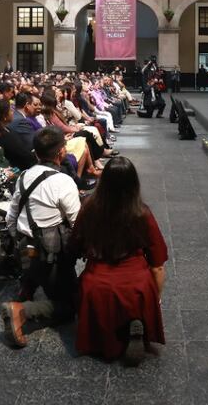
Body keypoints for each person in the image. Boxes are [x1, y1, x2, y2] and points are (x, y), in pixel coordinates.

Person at [71, 156, 167, 365]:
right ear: (134, 183)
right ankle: (136, 323)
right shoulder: (141, 213)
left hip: (97, 284)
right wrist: (154, 300)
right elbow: (158, 265)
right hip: (136, 285)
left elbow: (75, 244)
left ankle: (110, 339)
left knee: (94, 295)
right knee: (140, 292)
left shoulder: (89, 207)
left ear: (103, 181)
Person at [0, 127, 81, 348]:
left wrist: (19, 238)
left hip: (25, 249)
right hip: (51, 255)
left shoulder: (24, 176)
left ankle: (27, 285)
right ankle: (22, 311)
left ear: (36, 152)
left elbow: (11, 216)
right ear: (61, 152)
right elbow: (77, 223)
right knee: (72, 305)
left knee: (36, 263)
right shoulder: (63, 182)